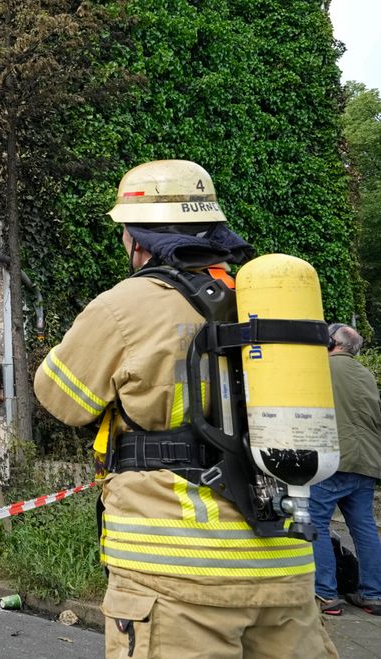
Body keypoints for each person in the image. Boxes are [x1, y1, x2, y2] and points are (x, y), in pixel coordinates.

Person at [34, 160, 337, 658]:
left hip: (176, 574)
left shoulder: (125, 305)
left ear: (136, 240)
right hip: (284, 567)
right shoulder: (265, 303)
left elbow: (61, 399)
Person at [309, 323, 381, 616]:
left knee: (315, 522)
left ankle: (326, 594)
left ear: (329, 343)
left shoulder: (321, 370)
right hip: (367, 462)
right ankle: (373, 594)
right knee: (364, 528)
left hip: (335, 460)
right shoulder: (365, 374)